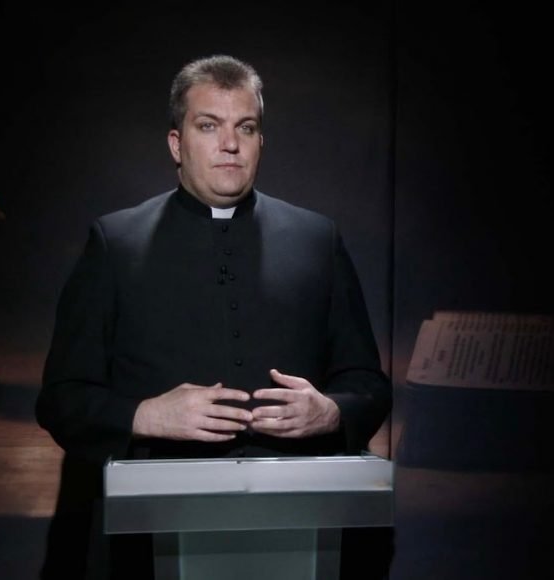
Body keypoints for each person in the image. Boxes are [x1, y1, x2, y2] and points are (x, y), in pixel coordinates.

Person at [35, 55, 393, 579]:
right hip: (152, 530)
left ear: (261, 142)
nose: (230, 144)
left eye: (245, 128)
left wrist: (332, 412)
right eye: (209, 126)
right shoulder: (115, 243)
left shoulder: (318, 240)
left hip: (299, 521)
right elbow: (61, 399)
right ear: (176, 144)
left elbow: (368, 385)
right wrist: (145, 416)